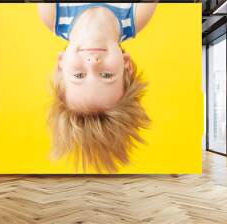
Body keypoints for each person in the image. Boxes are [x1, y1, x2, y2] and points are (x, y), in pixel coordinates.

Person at [38, 3, 157, 173]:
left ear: (61, 63)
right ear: (126, 65)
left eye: (79, 76)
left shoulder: (51, 14)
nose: (93, 64)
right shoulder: (138, 15)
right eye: (107, 75)